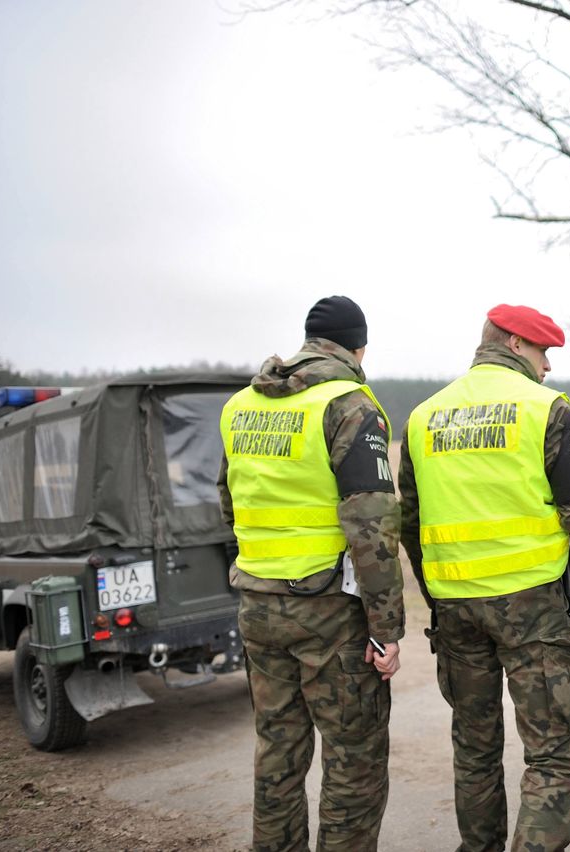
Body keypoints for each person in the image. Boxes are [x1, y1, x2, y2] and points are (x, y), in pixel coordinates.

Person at [398, 303, 570, 852]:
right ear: (513, 344)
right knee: (556, 750)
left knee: (475, 746)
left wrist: (435, 591)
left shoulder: (423, 417)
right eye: (542, 351)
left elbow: (408, 522)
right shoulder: (545, 409)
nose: (548, 365)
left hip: (455, 610)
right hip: (530, 607)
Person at [217, 295, 405, 852]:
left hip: (257, 601)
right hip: (328, 611)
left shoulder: (239, 406)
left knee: (278, 749)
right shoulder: (347, 405)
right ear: (358, 347)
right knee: (354, 758)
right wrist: (385, 628)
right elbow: (371, 525)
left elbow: (227, 503)